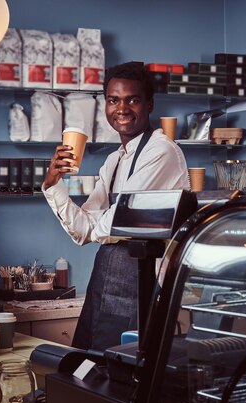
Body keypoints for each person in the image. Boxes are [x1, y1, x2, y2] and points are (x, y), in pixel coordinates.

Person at [42, 62, 190, 350]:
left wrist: (99, 222)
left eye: (132, 99)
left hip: (140, 284)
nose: (122, 108)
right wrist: (52, 184)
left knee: (120, 375)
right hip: (104, 284)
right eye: (114, 100)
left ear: (149, 104)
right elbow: (84, 231)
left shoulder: (161, 152)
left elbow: (115, 222)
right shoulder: (114, 161)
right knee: (88, 367)